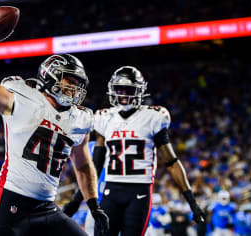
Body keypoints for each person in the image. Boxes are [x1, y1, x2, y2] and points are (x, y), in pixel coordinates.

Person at [0, 6, 109, 236]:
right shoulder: (20, 96)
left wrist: (93, 204)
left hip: (46, 207)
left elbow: (84, 165)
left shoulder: (80, 118)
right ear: (51, 74)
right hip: (11, 200)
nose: (74, 88)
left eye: (78, 84)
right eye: (70, 81)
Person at [63, 66, 206, 236]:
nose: (123, 94)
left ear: (139, 90)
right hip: (111, 190)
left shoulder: (153, 117)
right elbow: (96, 165)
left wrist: (192, 202)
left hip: (139, 192)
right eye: (119, 89)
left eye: (128, 89)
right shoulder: (104, 118)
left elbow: (172, 162)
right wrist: (77, 201)